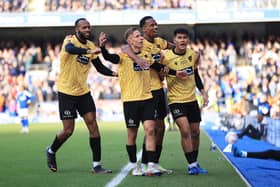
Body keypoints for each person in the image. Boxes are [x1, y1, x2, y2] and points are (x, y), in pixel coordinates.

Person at [99, 27, 186, 176]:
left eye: (141, 36)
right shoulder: (122, 57)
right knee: (132, 135)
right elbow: (108, 57)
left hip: (147, 98)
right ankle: (134, 166)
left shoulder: (146, 55)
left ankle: (151, 165)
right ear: (130, 40)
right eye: (138, 36)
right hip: (130, 101)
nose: (141, 38)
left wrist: (176, 73)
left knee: (151, 129)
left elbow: (158, 66)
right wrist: (102, 47)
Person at [46, 18, 117, 174]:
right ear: (77, 29)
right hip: (66, 92)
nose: (87, 29)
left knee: (93, 125)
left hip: (83, 92)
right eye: (84, 27)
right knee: (68, 130)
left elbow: (99, 68)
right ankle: (51, 151)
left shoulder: (91, 45)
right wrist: (89, 52)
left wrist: (117, 74)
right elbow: (71, 50)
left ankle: (97, 165)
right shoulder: (69, 40)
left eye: (89, 27)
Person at [122, 16, 175, 174]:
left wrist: (179, 52)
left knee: (161, 126)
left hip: (159, 87)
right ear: (144, 29)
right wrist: (137, 59)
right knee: (151, 127)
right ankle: (145, 162)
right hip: (147, 90)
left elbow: (172, 48)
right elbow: (125, 49)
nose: (155, 27)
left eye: (156, 24)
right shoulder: (138, 43)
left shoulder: (159, 42)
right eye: (152, 25)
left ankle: (154, 162)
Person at [161, 28, 209, 175]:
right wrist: (162, 75)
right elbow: (159, 74)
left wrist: (203, 92)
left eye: (184, 38)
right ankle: (191, 165)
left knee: (195, 132)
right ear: (174, 40)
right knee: (186, 130)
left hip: (192, 100)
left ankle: (194, 162)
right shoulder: (165, 56)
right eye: (179, 38)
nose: (182, 40)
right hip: (175, 100)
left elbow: (196, 74)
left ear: (188, 40)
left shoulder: (194, 55)